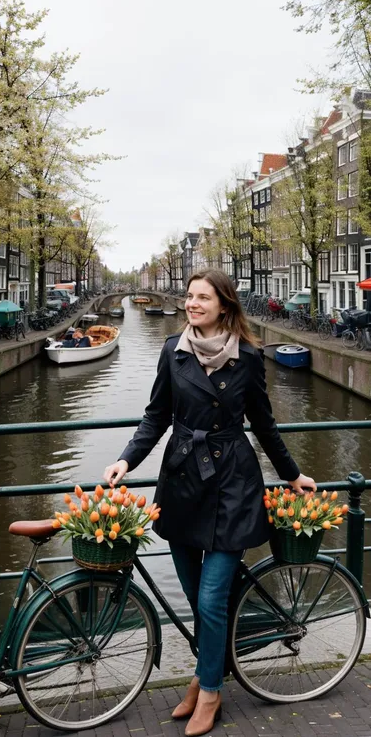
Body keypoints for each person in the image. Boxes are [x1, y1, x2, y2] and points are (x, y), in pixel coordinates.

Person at [103, 269, 316, 737]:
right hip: (182, 481)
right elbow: (156, 416)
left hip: (233, 485)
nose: (192, 303)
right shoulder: (172, 351)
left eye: (202, 297)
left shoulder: (249, 358)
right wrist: (126, 460)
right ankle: (203, 679)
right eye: (189, 296)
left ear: (224, 304)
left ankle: (212, 691)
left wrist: (291, 474)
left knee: (213, 597)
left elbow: (263, 423)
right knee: (198, 600)